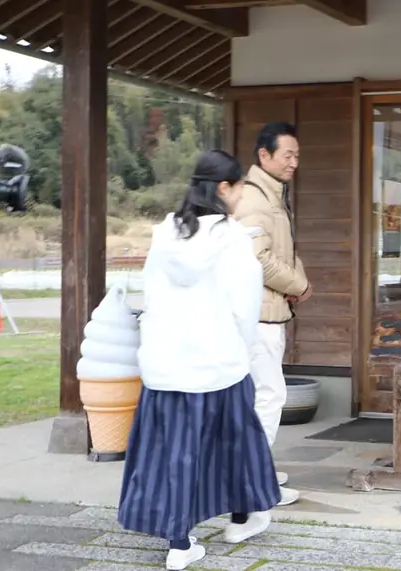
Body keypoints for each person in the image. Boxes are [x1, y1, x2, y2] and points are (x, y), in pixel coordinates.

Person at [117, 150, 281, 571]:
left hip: (165, 366)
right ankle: (242, 518)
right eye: (240, 184)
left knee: (174, 453)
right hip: (218, 364)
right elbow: (244, 310)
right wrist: (239, 353)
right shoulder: (233, 241)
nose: (243, 191)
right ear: (224, 189)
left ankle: (178, 542)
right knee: (237, 444)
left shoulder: (164, 235)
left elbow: (151, 300)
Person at [234, 122, 310, 507]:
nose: (295, 162)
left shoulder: (273, 195)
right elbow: (257, 258)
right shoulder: (254, 199)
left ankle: (255, 469)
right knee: (268, 395)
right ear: (264, 155)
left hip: (268, 311)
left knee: (261, 396)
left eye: (297, 155)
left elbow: (283, 250)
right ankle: (253, 483)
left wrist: (298, 280)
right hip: (258, 316)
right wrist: (297, 286)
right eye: (288, 155)